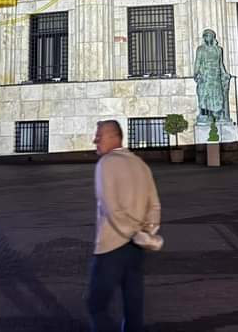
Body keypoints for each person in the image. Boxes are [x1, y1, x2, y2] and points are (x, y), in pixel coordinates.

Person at [88, 119, 161, 332]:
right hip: (136, 249)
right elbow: (154, 205)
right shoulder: (140, 164)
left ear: (113, 136)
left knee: (96, 305)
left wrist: (133, 233)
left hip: (112, 247)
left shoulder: (107, 163)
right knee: (133, 308)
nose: (95, 140)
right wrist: (147, 232)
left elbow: (112, 208)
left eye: (99, 136)